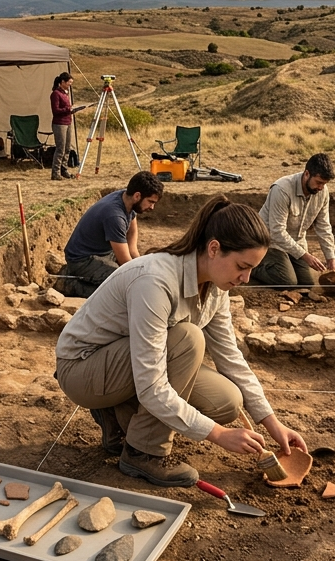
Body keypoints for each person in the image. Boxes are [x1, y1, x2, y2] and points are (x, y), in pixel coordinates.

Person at [55, 196, 307, 487]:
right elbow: (151, 385)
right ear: (214, 248)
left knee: (228, 402)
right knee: (188, 339)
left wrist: (272, 423)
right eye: (242, 266)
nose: (247, 278)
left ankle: (118, 416)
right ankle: (143, 452)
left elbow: (231, 357)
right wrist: (218, 435)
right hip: (83, 369)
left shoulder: (215, 287)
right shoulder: (155, 281)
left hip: (128, 364)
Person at [59, 171, 162, 297]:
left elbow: (131, 240)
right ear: (137, 196)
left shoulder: (127, 199)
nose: (152, 207)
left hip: (103, 253)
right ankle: (68, 285)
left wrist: (142, 267)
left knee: (137, 275)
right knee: (124, 283)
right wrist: (141, 277)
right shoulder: (114, 215)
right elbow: (125, 263)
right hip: (82, 260)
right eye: (150, 202)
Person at [250, 153, 335, 289]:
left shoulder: (322, 192)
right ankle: (252, 266)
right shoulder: (282, 189)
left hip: (296, 244)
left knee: (306, 284)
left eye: (324, 184)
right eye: (319, 182)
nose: (321, 188)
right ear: (307, 174)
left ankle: (283, 264)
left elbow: (323, 226)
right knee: (288, 282)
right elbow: (277, 232)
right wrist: (306, 256)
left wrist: (331, 259)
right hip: (269, 243)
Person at [49, 73, 75, 181]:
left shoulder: (65, 93)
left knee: (67, 148)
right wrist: (68, 109)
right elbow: (55, 110)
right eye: (69, 82)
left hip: (67, 122)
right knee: (60, 148)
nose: (70, 85)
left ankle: (64, 169)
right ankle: (55, 172)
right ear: (63, 82)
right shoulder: (56, 94)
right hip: (59, 123)